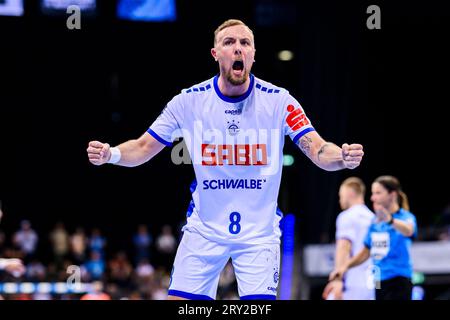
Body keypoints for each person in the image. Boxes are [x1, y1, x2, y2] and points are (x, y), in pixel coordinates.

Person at [86, 19, 364, 300]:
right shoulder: (188, 102)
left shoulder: (280, 101)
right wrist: (112, 154)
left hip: (258, 236)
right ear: (215, 53)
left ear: (254, 54)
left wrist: (341, 156)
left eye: (245, 43)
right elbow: (143, 146)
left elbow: (317, 149)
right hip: (204, 231)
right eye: (229, 43)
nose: (238, 49)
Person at [329, 175, 417, 300]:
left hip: (398, 279)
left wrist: (390, 220)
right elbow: (365, 252)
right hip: (377, 280)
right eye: (372, 193)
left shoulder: (405, 217)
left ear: (392, 195)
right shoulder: (374, 222)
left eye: (378, 193)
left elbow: (409, 230)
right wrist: (344, 267)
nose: (372, 197)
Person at [322, 177, 374, 300]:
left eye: (341, 196)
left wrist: (338, 279)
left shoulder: (347, 216)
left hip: (353, 282)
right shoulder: (374, 218)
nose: (340, 200)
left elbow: (344, 247)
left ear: (350, 193)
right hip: (373, 283)